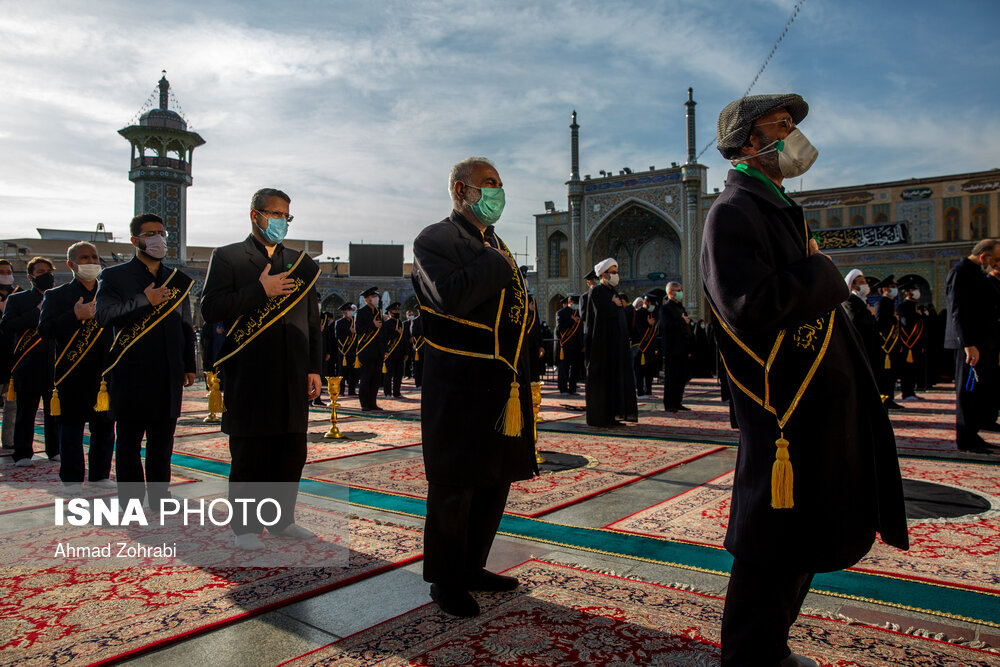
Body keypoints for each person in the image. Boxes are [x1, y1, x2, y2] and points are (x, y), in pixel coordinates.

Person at [703, 93, 908, 666]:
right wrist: (823, 271)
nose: (793, 138)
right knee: (772, 543)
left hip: (813, 405)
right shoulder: (734, 211)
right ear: (750, 141)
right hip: (785, 411)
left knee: (799, 538)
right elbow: (748, 306)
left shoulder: (772, 207)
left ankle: (770, 648)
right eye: (782, 126)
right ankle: (749, 655)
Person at [411, 156, 536, 618]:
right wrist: (496, 262)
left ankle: (473, 566)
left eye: (500, 183)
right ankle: (446, 580)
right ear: (462, 190)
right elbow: (450, 296)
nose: (497, 191)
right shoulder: (435, 238)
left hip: (501, 383)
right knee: (455, 484)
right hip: (459, 385)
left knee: (493, 479)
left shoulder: (494, 243)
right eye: (488, 183)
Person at [201, 187, 323, 549]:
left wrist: (314, 367)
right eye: (274, 214)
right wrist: (260, 291)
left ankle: (283, 520)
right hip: (250, 373)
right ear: (255, 215)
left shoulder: (302, 264)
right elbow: (211, 308)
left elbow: (313, 321)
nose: (281, 222)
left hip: (294, 372)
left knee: (290, 451)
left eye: (286, 216)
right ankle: (246, 527)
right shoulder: (227, 258)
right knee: (251, 453)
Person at [95, 213, 196, 509]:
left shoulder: (176, 280)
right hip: (131, 371)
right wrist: (144, 301)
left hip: (168, 371)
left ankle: (159, 495)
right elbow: (104, 316)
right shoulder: (114, 277)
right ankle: (130, 499)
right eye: (150, 233)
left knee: (162, 442)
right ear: (135, 240)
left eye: (161, 232)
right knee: (128, 441)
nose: (158, 239)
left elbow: (186, 325)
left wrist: (188, 364)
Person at [37, 242, 115, 491]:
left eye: (94, 256)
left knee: (104, 427)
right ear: (71, 264)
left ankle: (100, 475)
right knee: (71, 428)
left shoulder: (109, 293)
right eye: (84, 257)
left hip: (104, 373)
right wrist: (74, 316)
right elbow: (45, 331)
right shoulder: (57, 295)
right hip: (71, 372)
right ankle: (71, 478)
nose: (91, 261)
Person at [0, 256, 58, 466]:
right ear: (30, 276)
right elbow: (8, 326)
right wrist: (37, 312)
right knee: (26, 411)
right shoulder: (18, 299)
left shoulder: (59, 297)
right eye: (41, 272)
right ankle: (23, 452)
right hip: (27, 363)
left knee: (54, 411)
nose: (46, 275)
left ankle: (55, 449)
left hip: (53, 364)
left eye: (49, 271)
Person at [944, 238, 1000, 453]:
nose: (996, 264)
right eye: (995, 259)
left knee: (978, 392)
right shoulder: (961, 272)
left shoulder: (977, 273)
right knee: (967, 393)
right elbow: (958, 311)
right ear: (984, 256)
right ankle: (966, 440)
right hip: (968, 345)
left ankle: (974, 434)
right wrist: (968, 344)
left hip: (980, 343)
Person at [584, 258, 638, 427]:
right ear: (604, 275)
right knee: (603, 383)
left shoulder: (612, 293)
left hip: (615, 348)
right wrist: (614, 306)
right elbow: (600, 318)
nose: (616, 275)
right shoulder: (598, 292)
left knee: (614, 382)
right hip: (603, 348)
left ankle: (612, 415)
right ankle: (601, 418)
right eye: (613, 272)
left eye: (616, 272)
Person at [660, 281, 694, 412]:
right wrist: (682, 321)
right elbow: (666, 327)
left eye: (680, 290)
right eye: (677, 290)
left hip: (682, 348)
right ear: (670, 292)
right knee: (672, 377)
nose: (680, 293)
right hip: (672, 349)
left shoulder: (680, 307)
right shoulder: (666, 308)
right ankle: (669, 403)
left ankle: (677, 401)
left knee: (681, 377)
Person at [871, 275, 903, 409]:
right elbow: (878, 324)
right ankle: (885, 398)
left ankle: (890, 397)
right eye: (892, 287)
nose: (895, 290)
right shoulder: (881, 303)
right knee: (885, 375)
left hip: (892, 346)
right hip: (885, 347)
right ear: (885, 289)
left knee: (892, 375)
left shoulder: (891, 304)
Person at [0, 258, 21, 450]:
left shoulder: (19, 294)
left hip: (11, 357)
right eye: (2, 271)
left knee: (11, 405)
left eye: (8, 271)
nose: (6, 275)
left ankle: (9, 440)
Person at [842, 269, 879, 371]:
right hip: (859, 347)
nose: (865, 285)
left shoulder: (864, 301)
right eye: (862, 283)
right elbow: (855, 322)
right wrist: (869, 313)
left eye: (865, 282)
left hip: (870, 346)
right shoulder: (849, 300)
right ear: (852, 286)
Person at [355, 287, 385, 410]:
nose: (375, 298)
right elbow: (358, 330)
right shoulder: (361, 312)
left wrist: (385, 349)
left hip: (378, 351)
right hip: (366, 350)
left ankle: (373, 403)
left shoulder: (378, 312)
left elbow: (382, 333)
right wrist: (372, 325)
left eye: (376, 296)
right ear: (367, 299)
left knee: (375, 379)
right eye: (373, 297)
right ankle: (365, 404)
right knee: (366, 378)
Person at [896, 282, 925, 401]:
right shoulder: (903, 306)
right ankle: (906, 392)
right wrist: (917, 316)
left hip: (916, 344)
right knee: (907, 370)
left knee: (914, 369)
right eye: (913, 290)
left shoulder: (914, 305)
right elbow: (905, 322)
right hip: (907, 343)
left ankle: (911, 391)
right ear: (907, 293)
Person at [555, 295, 583, 395]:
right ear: (569, 301)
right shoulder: (560, 313)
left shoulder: (579, 313)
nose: (576, 305)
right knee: (564, 369)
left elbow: (580, 330)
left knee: (575, 369)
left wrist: (582, 344)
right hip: (565, 345)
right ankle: (563, 389)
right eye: (574, 303)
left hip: (577, 346)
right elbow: (559, 329)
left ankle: (573, 388)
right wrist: (572, 321)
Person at [633, 293, 660, 397]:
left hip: (650, 348)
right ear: (645, 302)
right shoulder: (639, 313)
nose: (653, 305)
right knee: (640, 371)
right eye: (651, 303)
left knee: (649, 371)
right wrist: (648, 325)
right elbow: (637, 330)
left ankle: (648, 391)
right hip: (641, 348)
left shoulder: (652, 314)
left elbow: (654, 333)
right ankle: (640, 392)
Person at [381, 302, 405, 398]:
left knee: (398, 375)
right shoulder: (386, 324)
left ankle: (397, 392)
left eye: (398, 310)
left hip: (400, 353)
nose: (397, 311)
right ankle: (387, 393)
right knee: (388, 375)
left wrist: (405, 352)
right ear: (390, 313)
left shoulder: (401, 324)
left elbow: (404, 339)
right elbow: (385, 338)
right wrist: (397, 333)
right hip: (390, 353)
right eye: (395, 310)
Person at [334, 303, 357, 394]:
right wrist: (349, 331)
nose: (350, 312)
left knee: (353, 371)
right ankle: (341, 390)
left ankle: (352, 390)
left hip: (353, 350)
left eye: (351, 310)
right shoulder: (339, 322)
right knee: (342, 371)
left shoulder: (354, 321)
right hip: (343, 350)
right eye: (348, 310)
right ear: (344, 312)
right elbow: (337, 336)